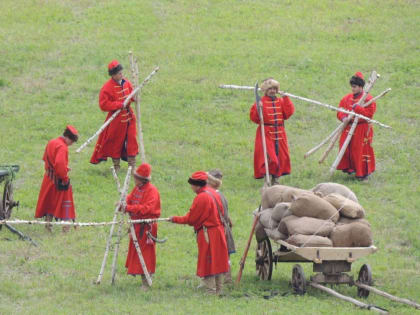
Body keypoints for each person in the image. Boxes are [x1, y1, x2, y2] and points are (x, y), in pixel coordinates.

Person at [170, 171, 229, 295]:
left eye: (192, 184)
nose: (191, 187)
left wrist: (175, 219)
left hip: (208, 234)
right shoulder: (214, 193)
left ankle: (210, 290)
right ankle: (219, 289)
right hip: (219, 231)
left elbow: (191, 219)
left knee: (208, 261)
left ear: (197, 185)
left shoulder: (201, 197)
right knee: (217, 261)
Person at [90, 60, 138, 172]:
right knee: (116, 143)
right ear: (113, 75)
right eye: (119, 73)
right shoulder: (106, 87)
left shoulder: (126, 83)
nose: (121, 75)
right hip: (116, 120)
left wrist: (134, 98)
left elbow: (131, 95)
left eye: (122, 72)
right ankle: (116, 166)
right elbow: (103, 104)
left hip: (130, 118)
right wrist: (119, 105)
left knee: (132, 141)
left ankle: (132, 166)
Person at [122, 163, 161, 290]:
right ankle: (142, 278)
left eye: (136, 177)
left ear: (142, 179)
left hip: (146, 228)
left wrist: (128, 208)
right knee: (138, 253)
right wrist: (124, 202)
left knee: (146, 254)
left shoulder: (152, 191)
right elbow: (131, 198)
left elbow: (147, 208)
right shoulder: (138, 188)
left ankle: (146, 282)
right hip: (137, 225)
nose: (134, 180)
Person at [249, 78, 295, 185]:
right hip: (266, 132)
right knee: (269, 157)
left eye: (274, 89)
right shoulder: (261, 102)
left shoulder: (280, 101)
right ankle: (267, 178)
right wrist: (258, 108)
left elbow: (288, 113)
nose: (273, 91)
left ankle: (276, 179)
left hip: (279, 132)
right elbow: (254, 118)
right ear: (265, 90)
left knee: (281, 156)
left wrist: (286, 98)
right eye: (270, 89)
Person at [35, 125, 79, 232]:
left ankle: (48, 225)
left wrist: (63, 168)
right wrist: (64, 177)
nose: (72, 144)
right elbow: (59, 164)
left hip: (48, 178)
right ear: (68, 138)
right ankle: (66, 228)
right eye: (72, 141)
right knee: (66, 204)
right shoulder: (62, 147)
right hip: (59, 180)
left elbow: (45, 158)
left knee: (49, 202)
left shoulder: (52, 142)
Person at [336, 72, 376, 181]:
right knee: (347, 149)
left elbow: (368, 115)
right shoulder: (347, 98)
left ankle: (363, 174)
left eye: (354, 87)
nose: (352, 89)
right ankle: (351, 169)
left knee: (360, 151)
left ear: (360, 87)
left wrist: (357, 108)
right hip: (348, 127)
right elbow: (340, 110)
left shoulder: (368, 99)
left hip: (361, 129)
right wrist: (343, 117)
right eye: (352, 87)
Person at [206, 169, 235, 284]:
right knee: (225, 255)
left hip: (219, 228)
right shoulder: (220, 195)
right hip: (224, 227)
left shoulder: (212, 196)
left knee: (221, 256)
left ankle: (224, 279)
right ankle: (226, 278)